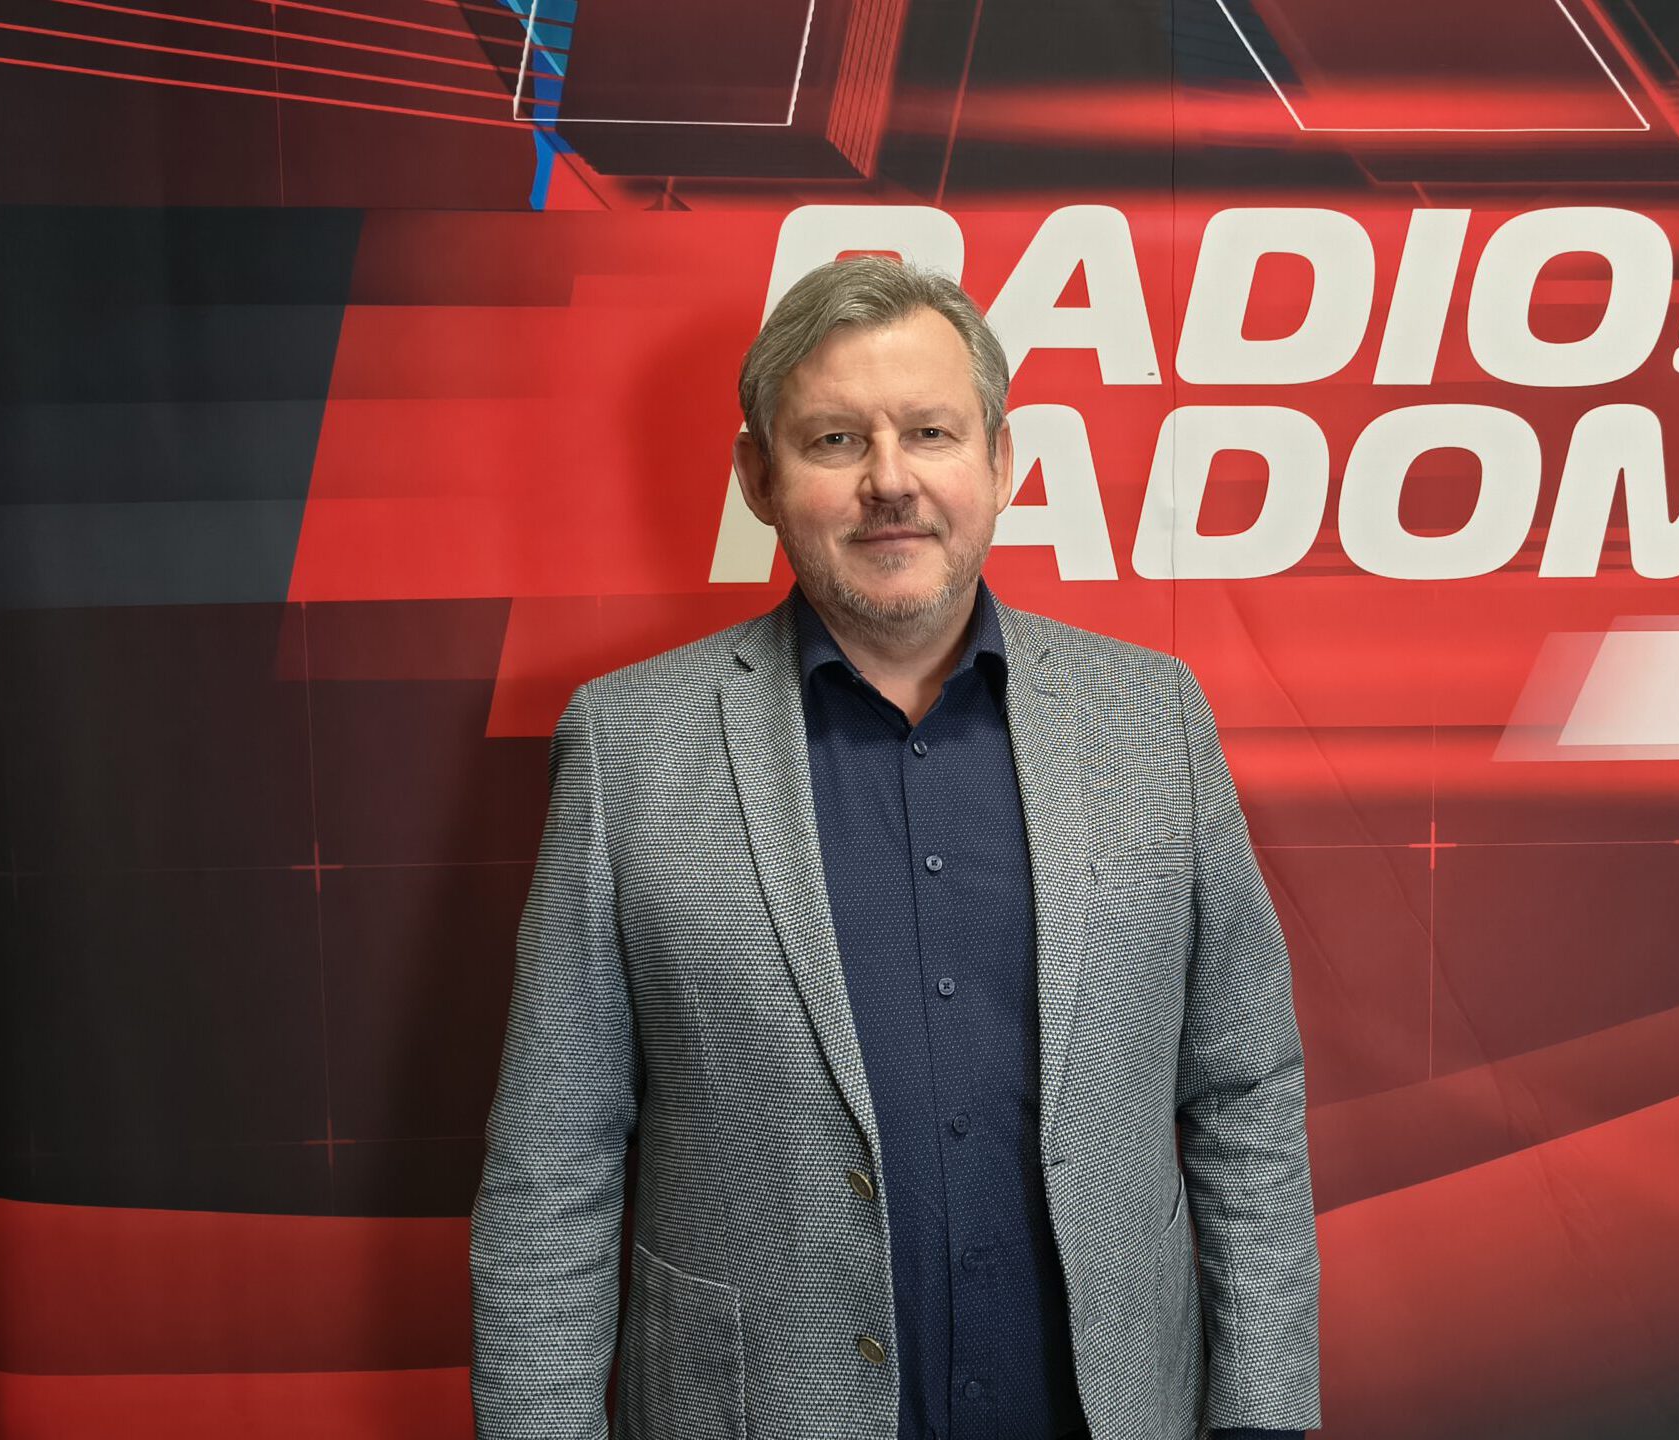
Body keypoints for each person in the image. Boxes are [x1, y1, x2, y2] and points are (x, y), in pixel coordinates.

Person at [469, 256, 1321, 1440]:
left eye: (929, 431)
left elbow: (1243, 1094)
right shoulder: (628, 745)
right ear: (758, 479)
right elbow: (550, 1163)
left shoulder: (1153, 717)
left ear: (999, 463)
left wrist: (1263, 1417)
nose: (889, 481)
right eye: (834, 441)